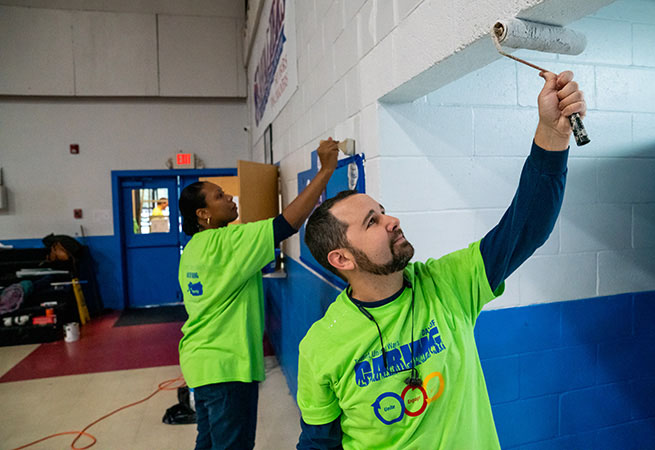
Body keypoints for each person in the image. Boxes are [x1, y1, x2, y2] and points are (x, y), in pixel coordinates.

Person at [296, 71, 586, 449]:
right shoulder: (322, 345)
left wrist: (553, 133)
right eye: (373, 222)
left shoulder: (446, 284)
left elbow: (526, 228)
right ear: (341, 258)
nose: (392, 220)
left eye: (382, 211)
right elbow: (319, 444)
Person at [178, 138, 339, 450]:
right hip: (226, 366)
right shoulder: (224, 242)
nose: (229, 198)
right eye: (219, 196)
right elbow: (285, 224)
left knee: (209, 443)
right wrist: (326, 170)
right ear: (202, 214)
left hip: (200, 363)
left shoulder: (193, 249)